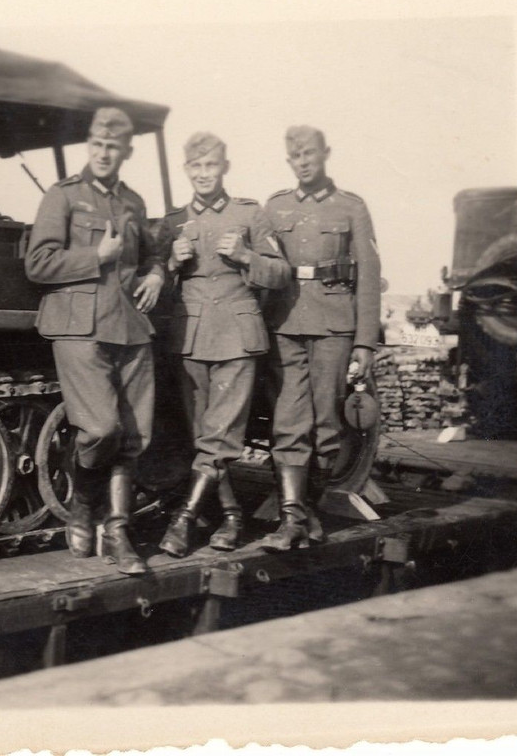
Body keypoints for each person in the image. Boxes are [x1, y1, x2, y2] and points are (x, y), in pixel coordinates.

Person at [25, 107, 166, 575]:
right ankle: (84, 503)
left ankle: (119, 532)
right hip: (78, 327)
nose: (104, 154)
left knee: (134, 436)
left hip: (128, 326)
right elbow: (38, 264)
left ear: (126, 151)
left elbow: (151, 249)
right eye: (98, 145)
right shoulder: (62, 196)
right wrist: (95, 255)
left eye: (114, 147)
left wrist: (157, 273)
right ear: (90, 146)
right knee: (102, 429)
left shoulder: (134, 202)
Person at [157, 133, 291, 557]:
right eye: (195, 167)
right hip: (191, 336)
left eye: (210, 166)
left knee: (221, 434)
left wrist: (248, 256)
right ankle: (232, 516)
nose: (202, 174)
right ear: (186, 170)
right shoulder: (171, 222)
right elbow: (152, 291)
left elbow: (281, 274)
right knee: (203, 435)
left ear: (224, 167)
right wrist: (170, 264)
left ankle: (184, 519)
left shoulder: (249, 214)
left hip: (236, 335)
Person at [260, 125, 382, 551]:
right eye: (295, 155)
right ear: (288, 160)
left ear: (325, 153)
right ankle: (293, 520)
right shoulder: (273, 208)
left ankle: (304, 511)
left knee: (328, 425)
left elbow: (368, 276)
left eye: (309, 153)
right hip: (286, 324)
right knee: (288, 421)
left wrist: (365, 343)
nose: (303, 161)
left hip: (334, 324)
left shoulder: (351, 207)